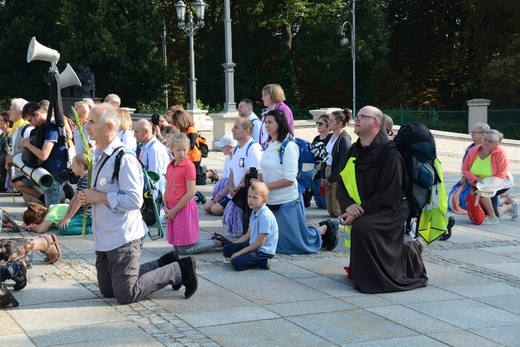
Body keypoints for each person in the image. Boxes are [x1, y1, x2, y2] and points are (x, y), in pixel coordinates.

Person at [78, 104, 198, 303]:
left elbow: (134, 200)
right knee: (108, 291)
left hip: (123, 236)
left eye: (91, 121)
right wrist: (88, 197)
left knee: (125, 294)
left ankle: (178, 270)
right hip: (105, 237)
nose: (86, 125)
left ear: (108, 126)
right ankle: (166, 262)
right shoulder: (100, 154)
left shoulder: (124, 158)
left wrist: (98, 197)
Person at [336, 105, 428, 293]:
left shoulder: (390, 153)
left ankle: (407, 255)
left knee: (363, 227)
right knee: (360, 226)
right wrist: (349, 206)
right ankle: (362, 272)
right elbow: (341, 181)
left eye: (362, 116)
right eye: (357, 116)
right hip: (367, 207)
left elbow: (390, 192)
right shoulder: (354, 150)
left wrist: (360, 211)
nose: (356, 120)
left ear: (375, 123)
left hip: (391, 208)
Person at [258, 110, 338, 254]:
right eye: (266, 122)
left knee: (299, 243)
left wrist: (263, 186)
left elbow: (289, 179)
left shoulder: (289, 146)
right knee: (279, 244)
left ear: (280, 124)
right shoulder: (268, 145)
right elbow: (263, 169)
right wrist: (257, 181)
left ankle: (325, 228)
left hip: (287, 200)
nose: (266, 126)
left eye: (270, 122)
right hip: (270, 200)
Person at [164, 133, 229, 254]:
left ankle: (217, 243)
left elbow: (190, 192)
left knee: (184, 249)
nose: (182, 153)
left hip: (183, 208)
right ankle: (214, 239)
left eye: (184, 150)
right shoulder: (171, 165)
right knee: (178, 247)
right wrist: (165, 206)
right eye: (178, 150)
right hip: (172, 207)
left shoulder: (188, 166)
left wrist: (173, 211)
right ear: (171, 148)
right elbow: (167, 187)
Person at [13, 102, 69, 208]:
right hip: (42, 172)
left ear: (37, 114)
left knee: (52, 213)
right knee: (17, 181)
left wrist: (28, 145)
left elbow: (43, 155)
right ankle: (45, 200)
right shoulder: (44, 127)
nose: (31, 124)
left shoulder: (52, 128)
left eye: (30, 120)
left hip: (54, 174)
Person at [22, 154, 92, 235]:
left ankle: (91, 229)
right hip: (78, 213)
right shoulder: (81, 179)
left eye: (73, 165)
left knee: (64, 229)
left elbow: (79, 201)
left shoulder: (87, 180)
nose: (71, 168)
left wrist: (68, 218)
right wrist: (66, 216)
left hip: (86, 214)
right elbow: (74, 198)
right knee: (62, 226)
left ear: (81, 166)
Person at [461, 129, 516, 224]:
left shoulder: (500, 153)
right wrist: (474, 179)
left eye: (490, 141)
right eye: (485, 139)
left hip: (499, 183)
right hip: (479, 182)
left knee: (482, 194)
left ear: (496, 144)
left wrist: (487, 185)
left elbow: (501, 174)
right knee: (484, 205)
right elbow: (465, 169)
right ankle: (506, 201)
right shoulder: (472, 151)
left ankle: (497, 215)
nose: (486, 143)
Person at [222, 182, 278, 270]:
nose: (250, 200)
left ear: (264, 200)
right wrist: (234, 246)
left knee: (237, 262)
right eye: (249, 196)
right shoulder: (254, 211)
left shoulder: (265, 216)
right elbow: (247, 235)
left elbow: (260, 242)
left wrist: (239, 252)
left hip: (262, 251)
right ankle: (250, 258)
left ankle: (262, 261)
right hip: (252, 244)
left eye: (255, 197)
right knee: (227, 249)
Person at [222, 118, 263, 236]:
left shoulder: (253, 148)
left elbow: (251, 171)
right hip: (236, 192)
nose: (232, 130)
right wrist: (230, 186)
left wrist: (239, 187)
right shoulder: (236, 149)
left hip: (245, 194)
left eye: (236, 128)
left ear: (247, 130)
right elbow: (232, 171)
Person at [321, 109, 352, 217]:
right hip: (328, 170)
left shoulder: (344, 139)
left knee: (337, 210)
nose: (328, 123)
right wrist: (323, 176)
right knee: (330, 211)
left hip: (337, 174)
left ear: (339, 124)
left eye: (331, 121)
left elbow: (343, 162)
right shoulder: (329, 137)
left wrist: (331, 179)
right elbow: (324, 156)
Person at [133, 119, 170, 196]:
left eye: (136, 132)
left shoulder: (154, 149)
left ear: (146, 131)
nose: (134, 135)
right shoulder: (146, 146)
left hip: (155, 195)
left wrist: (155, 199)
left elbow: (155, 177)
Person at [169, 108, 205, 186]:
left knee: (195, 179)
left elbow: (191, 145)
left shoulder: (191, 129)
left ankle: (208, 173)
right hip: (187, 156)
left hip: (194, 157)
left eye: (176, 122)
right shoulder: (184, 130)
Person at [204, 134, 237, 216]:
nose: (221, 149)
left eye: (223, 146)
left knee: (215, 210)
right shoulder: (227, 158)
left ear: (230, 147)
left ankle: (233, 211)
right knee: (207, 207)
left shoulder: (236, 159)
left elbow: (231, 182)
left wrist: (221, 195)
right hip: (224, 189)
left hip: (230, 192)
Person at [4, 98, 31, 194]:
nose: (8, 112)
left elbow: (30, 153)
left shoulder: (27, 128)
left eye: (11, 109)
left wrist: (12, 158)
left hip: (28, 174)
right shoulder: (16, 128)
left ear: (20, 113)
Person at [310, 114, 330, 209]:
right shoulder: (316, 139)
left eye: (321, 123)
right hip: (314, 174)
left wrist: (317, 168)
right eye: (317, 123)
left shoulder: (330, 139)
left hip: (322, 174)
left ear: (328, 125)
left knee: (324, 204)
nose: (318, 125)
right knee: (319, 203)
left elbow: (327, 158)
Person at [0, 111, 13, 191]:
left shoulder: (11, 134)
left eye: (0, 120)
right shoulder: (2, 135)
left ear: (7, 123)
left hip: (5, 159)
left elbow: (10, 150)